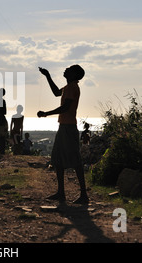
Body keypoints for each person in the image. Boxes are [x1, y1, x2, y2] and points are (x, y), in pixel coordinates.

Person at [37, 65, 89, 204]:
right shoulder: (68, 87)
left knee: (76, 161)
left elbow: (65, 108)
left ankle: (84, 194)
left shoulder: (72, 87)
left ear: (74, 75)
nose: (66, 69)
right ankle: (61, 193)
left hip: (69, 128)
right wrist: (47, 75)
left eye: (70, 69)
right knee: (58, 160)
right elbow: (56, 93)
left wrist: (46, 113)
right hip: (64, 127)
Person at [0, 88, 8, 155]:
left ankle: (2, 152)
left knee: (1, 138)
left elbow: (4, 112)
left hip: (0, 120)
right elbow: (4, 112)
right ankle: (2, 152)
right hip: (0, 120)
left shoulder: (0, 101)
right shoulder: (1, 101)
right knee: (1, 138)